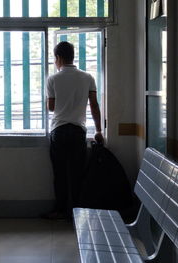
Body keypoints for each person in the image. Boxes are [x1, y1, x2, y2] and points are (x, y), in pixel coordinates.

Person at [46, 41, 104, 219]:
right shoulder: (88, 77)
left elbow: (51, 108)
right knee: (77, 173)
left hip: (59, 131)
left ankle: (60, 210)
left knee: (60, 174)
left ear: (58, 58)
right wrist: (99, 130)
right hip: (79, 131)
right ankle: (78, 212)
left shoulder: (53, 79)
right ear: (72, 56)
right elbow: (94, 105)